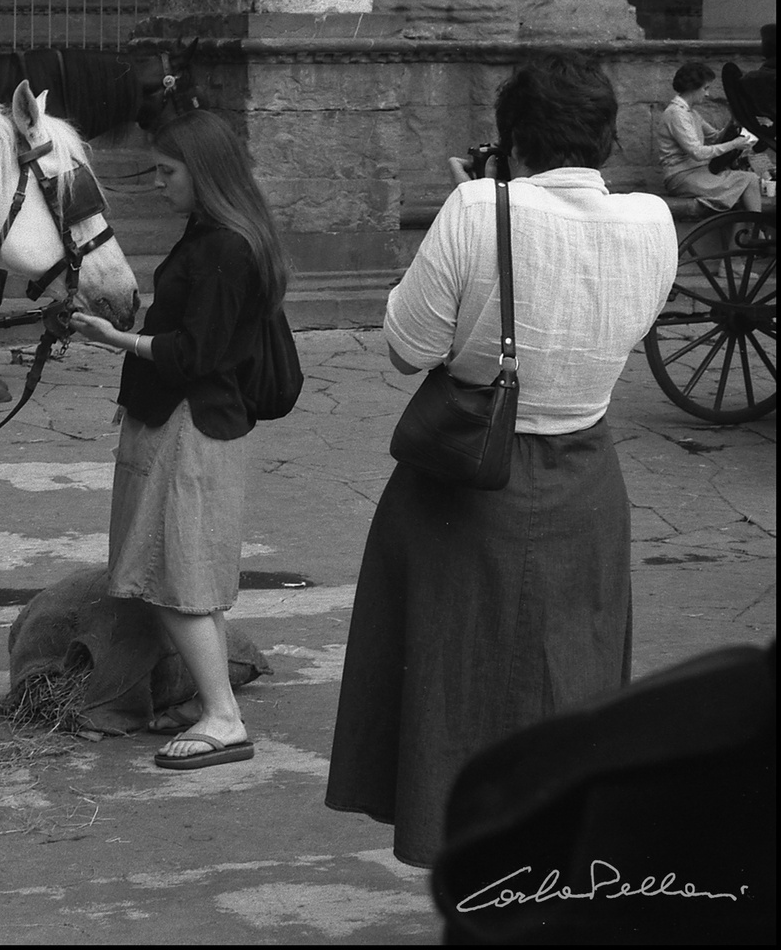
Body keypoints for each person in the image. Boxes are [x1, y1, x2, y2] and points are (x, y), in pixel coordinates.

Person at [324, 51, 680, 868]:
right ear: (604, 137)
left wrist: (477, 205)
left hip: (468, 475)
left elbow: (405, 348)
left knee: (454, 678)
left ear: (511, 140)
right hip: (586, 473)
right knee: (570, 674)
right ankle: (555, 861)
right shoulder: (653, 221)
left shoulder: (477, 207)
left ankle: (470, 860)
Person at [68, 108, 287, 770]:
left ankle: (223, 717)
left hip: (193, 423)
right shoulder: (215, 233)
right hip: (180, 419)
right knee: (171, 573)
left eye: (166, 172)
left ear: (204, 173)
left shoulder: (224, 247)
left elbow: (197, 354)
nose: (158, 184)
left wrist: (115, 340)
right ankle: (210, 699)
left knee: (176, 577)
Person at [653, 61, 761, 212]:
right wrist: (734, 144)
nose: (707, 93)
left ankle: (752, 232)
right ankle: (759, 230)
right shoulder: (676, 114)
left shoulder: (691, 113)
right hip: (681, 177)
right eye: (705, 88)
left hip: (699, 173)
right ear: (692, 87)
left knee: (745, 182)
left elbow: (716, 137)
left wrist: (733, 121)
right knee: (748, 180)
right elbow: (697, 152)